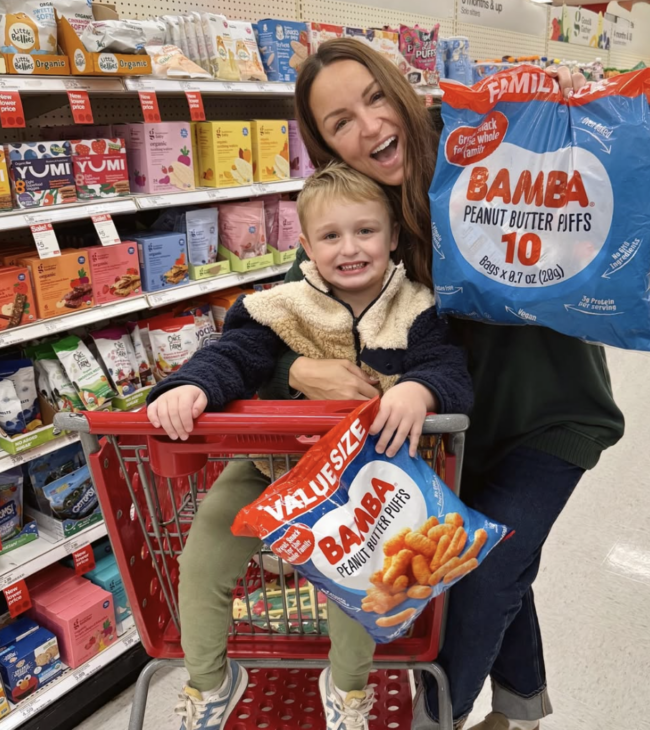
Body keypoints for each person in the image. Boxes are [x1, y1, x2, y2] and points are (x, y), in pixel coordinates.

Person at [261, 39, 625, 730]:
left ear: (401, 89)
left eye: (375, 98)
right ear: (326, 146)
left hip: (552, 416)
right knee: (500, 560)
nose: (370, 126)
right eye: (340, 122)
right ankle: (521, 711)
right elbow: (275, 319)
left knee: (483, 571)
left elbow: (593, 173)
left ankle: (437, 719)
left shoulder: (483, 144)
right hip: (449, 440)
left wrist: (567, 112)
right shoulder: (353, 213)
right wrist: (295, 370)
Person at [147, 162, 473, 730]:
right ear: (305, 245)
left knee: (364, 582)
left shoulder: (417, 309)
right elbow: (235, 355)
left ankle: (346, 690)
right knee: (201, 559)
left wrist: (419, 389)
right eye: (330, 236)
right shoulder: (281, 305)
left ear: (393, 236)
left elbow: (449, 369)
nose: (350, 248)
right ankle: (210, 681)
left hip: (369, 483)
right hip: (270, 465)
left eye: (365, 231)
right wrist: (190, 385)